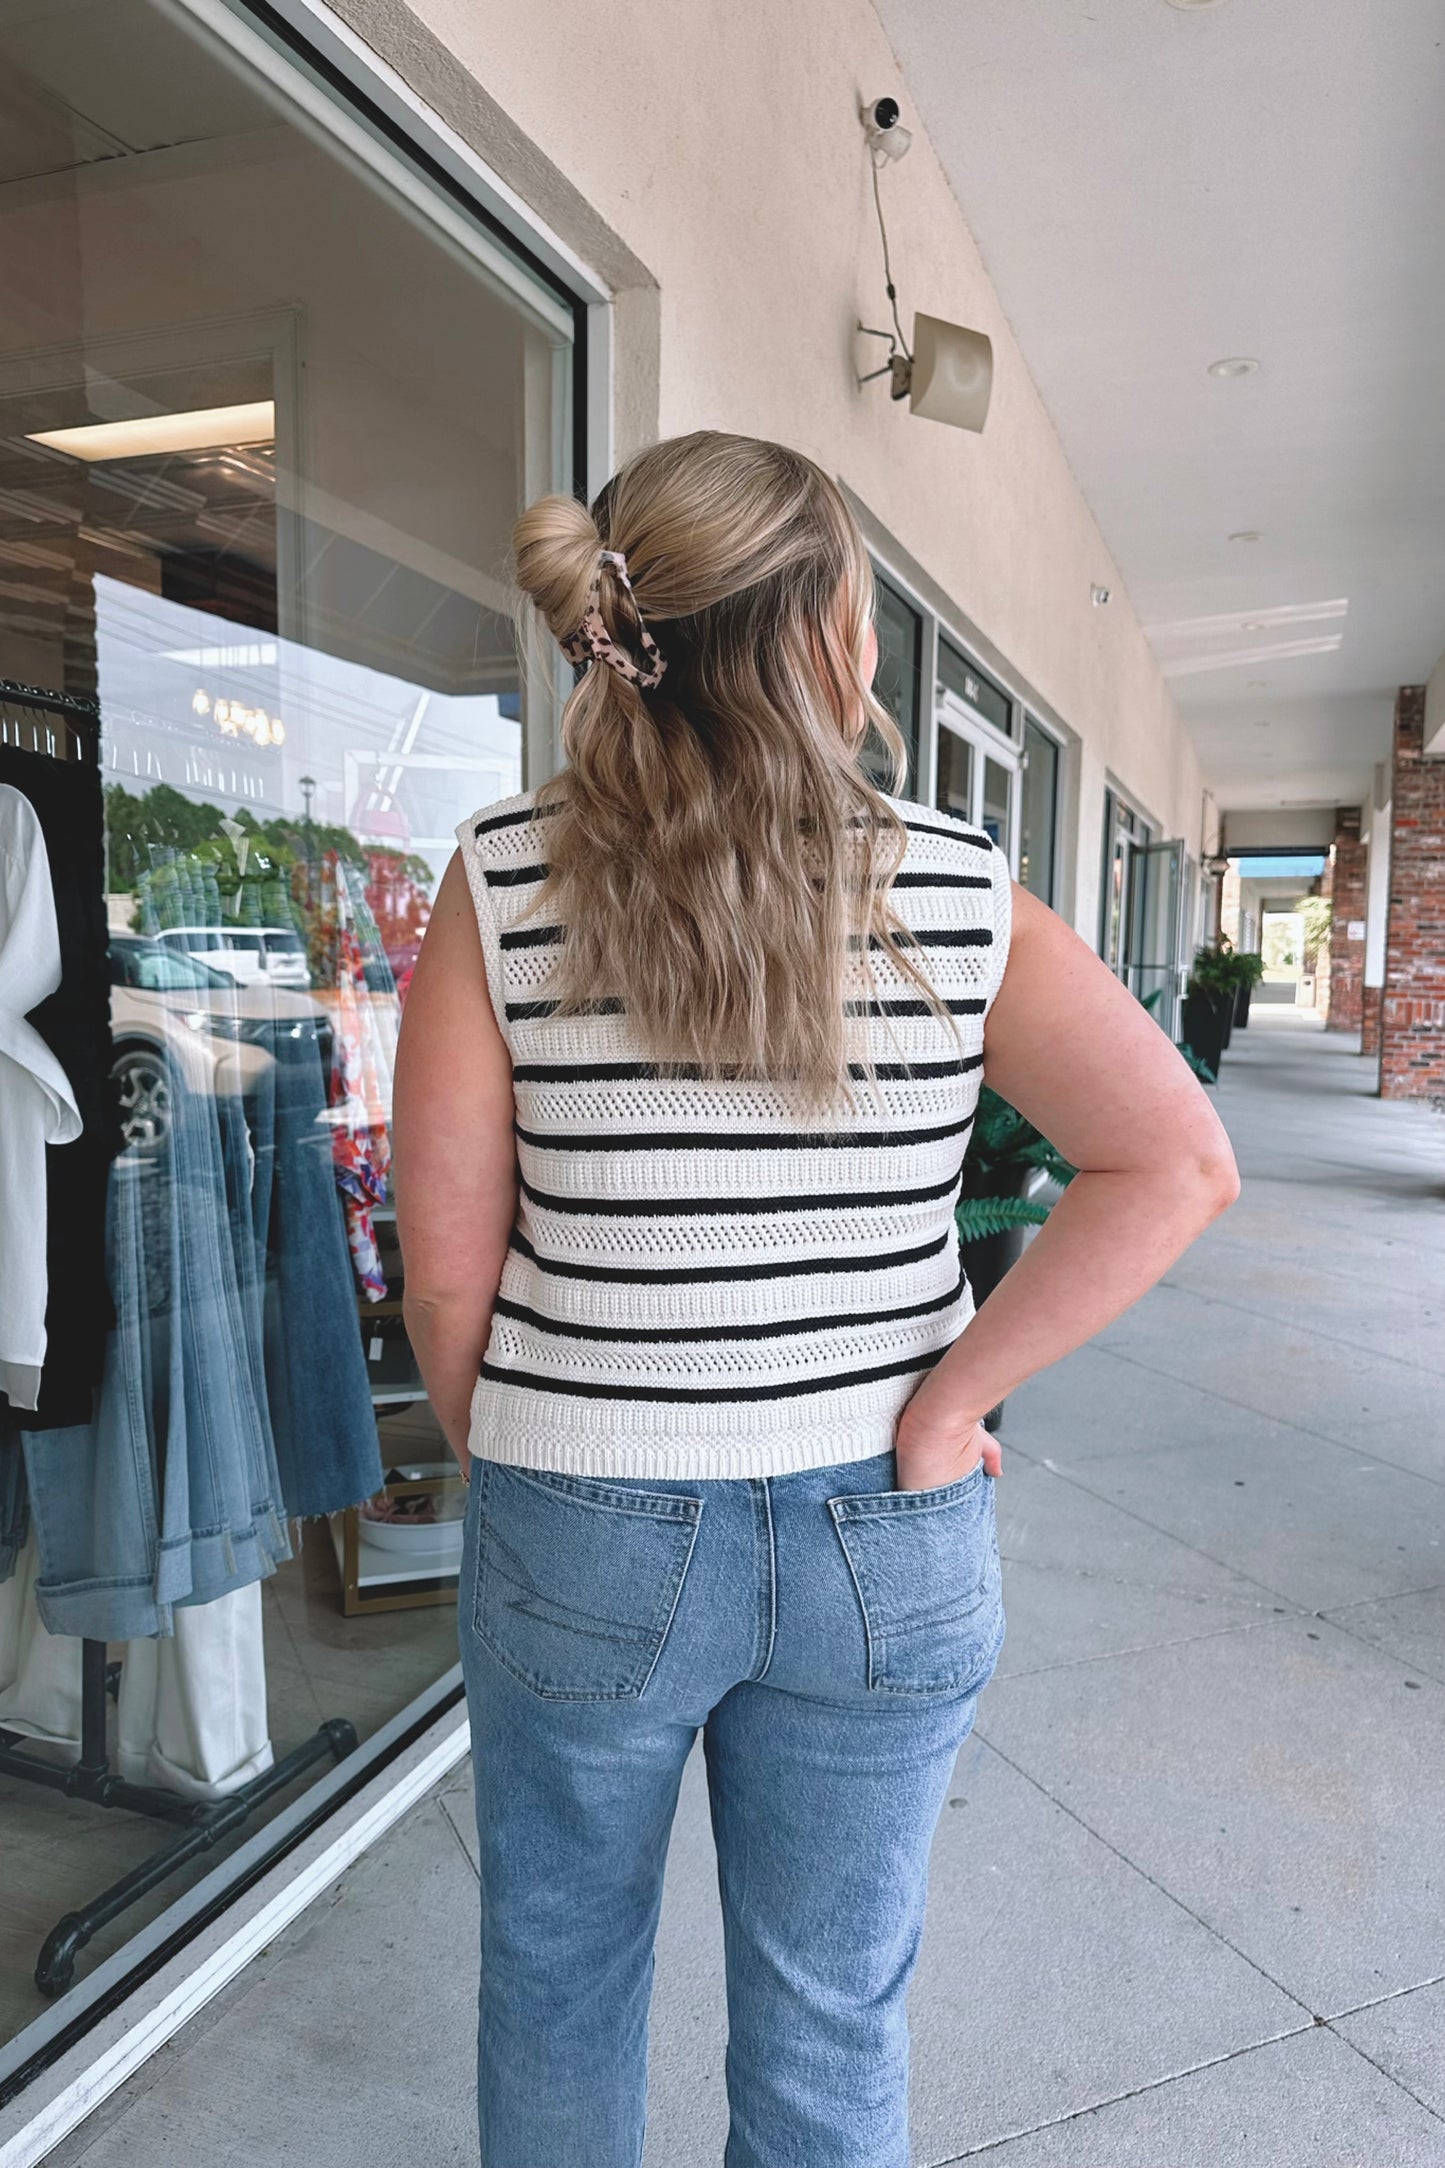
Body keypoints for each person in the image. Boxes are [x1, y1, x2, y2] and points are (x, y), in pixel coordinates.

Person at [391, 429, 1240, 2168]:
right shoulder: (951, 883)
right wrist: (946, 1401)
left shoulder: (500, 879)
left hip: (584, 1515)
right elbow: (1171, 1163)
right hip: (885, 1524)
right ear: (836, 638)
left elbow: (447, 1269)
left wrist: (539, 1456)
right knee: (831, 2006)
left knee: (555, 1972)